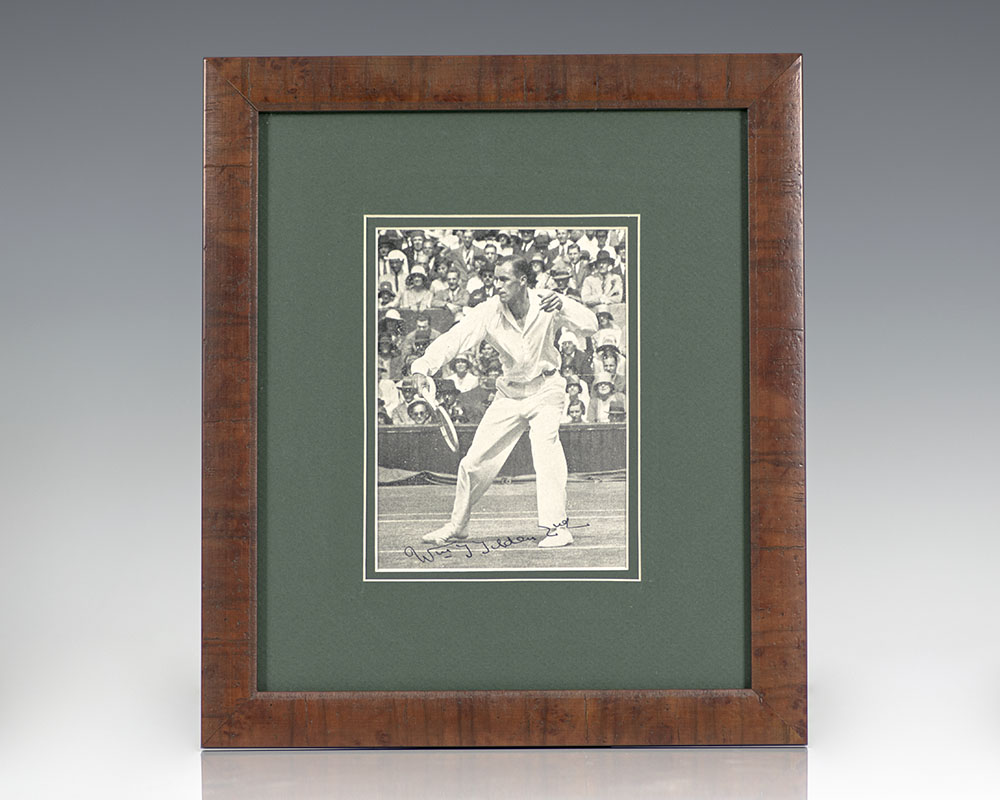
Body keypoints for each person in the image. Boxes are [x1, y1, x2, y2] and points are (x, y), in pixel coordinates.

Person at [410, 255, 598, 548]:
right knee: (472, 463)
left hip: (547, 390)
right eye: (495, 279)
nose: (497, 285)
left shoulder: (548, 302)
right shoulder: (488, 311)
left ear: (522, 281)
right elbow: (454, 338)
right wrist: (422, 367)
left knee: (546, 452)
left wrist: (564, 303)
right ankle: (457, 526)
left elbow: (591, 325)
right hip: (509, 395)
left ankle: (558, 528)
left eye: (503, 279)